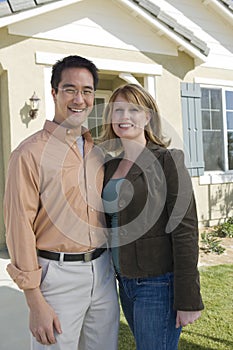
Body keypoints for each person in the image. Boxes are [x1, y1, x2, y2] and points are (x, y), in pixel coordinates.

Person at [4, 55, 119, 350]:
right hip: (56, 276)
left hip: (103, 272)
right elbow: (19, 226)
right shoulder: (28, 154)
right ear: (54, 93)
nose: (79, 98)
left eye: (87, 90)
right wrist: (34, 300)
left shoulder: (97, 153)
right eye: (70, 89)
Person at [100, 83, 204, 350]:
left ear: (148, 117)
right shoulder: (109, 166)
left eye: (133, 109)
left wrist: (188, 299)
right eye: (118, 110)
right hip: (123, 282)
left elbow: (185, 230)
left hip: (158, 284)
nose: (124, 117)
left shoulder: (168, 161)